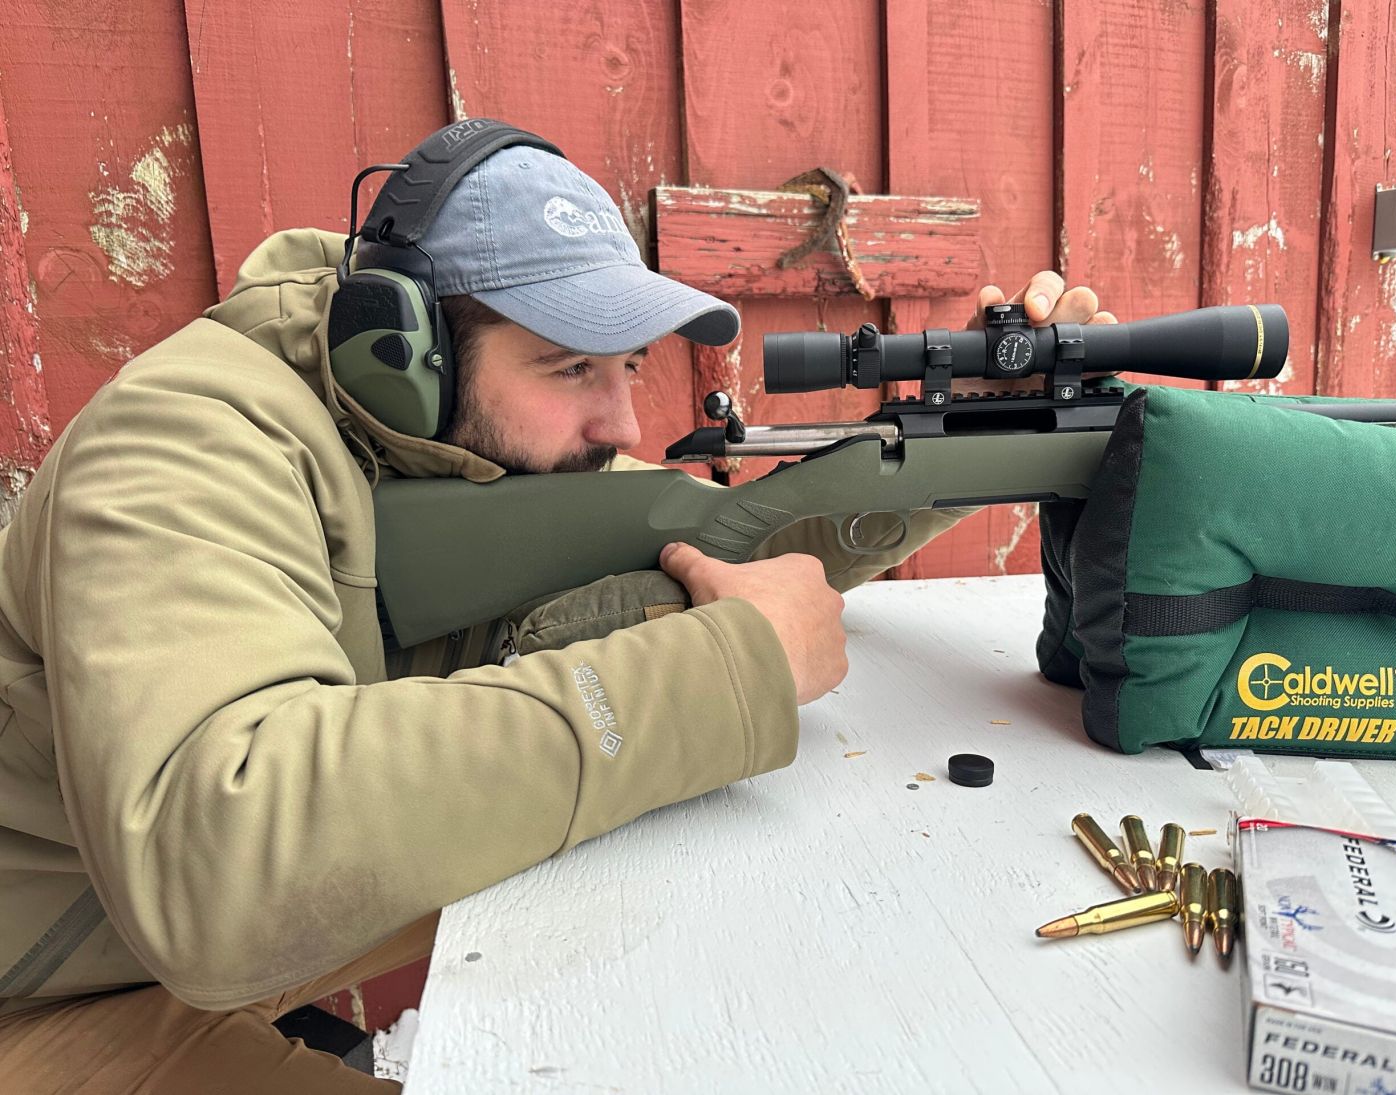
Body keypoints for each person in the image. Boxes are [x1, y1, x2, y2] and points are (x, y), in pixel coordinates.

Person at [0, 120, 1112, 1092]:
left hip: (171, 962)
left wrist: (951, 452)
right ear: (404, 357)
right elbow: (218, 857)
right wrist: (721, 677)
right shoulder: (174, 451)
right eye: (569, 367)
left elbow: (730, 545)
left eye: (625, 364)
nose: (623, 426)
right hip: (49, 1003)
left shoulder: (453, 452)